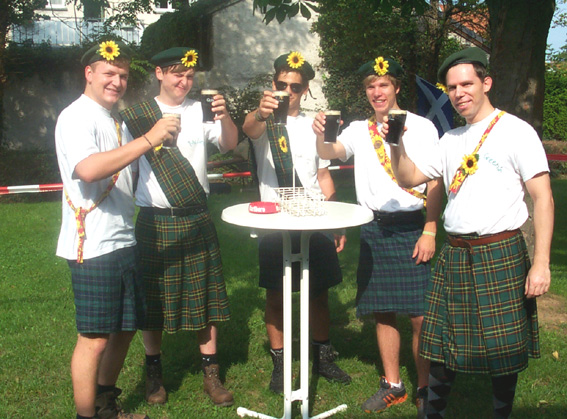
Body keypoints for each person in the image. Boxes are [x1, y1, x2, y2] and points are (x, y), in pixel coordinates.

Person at [388, 47, 554, 418]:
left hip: (500, 251)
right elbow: (408, 177)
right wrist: (395, 143)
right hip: (456, 253)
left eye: (466, 84)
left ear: (486, 83)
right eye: (452, 87)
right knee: (442, 343)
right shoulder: (450, 140)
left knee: (503, 346)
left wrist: (541, 263)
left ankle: (500, 413)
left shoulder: (516, 132)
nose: (459, 93)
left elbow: (543, 197)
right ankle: (433, 413)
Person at [313, 55, 442, 417]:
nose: (377, 92)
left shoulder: (422, 127)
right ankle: (393, 385)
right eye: (371, 86)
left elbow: (435, 182)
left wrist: (430, 229)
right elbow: (330, 152)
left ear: (396, 87)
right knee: (382, 312)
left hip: (412, 227)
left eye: (383, 84)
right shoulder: (359, 129)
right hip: (374, 229)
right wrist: (321, 133)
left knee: (420, 316)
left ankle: (425, 388)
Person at [55, 39, 179, 419]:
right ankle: (86, 416)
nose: (117, 82)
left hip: (124, 237)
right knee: (93, 339)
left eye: (123, 76)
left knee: (125, 328)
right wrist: (149, 138)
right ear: (89, 73)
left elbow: (131, 170)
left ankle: (105, 405)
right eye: (109, 73)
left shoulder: (115, 119)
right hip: (93, 244)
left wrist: (159, 146)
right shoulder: (76, 116)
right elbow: (89, 169)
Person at [120, 47, 237, 407]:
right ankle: (154, 372)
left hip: (196, 216)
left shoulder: (201, 110)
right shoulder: (138, 117)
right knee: (152, 298)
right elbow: (127, 169)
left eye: (189, 76)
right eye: (176, 74)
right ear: (159, 73)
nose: (184, 82)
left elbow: (229, 144)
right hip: (155, 219)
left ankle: (211, 374)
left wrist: (225, 117)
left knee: (206, 297)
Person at [242, 51, 351, 393]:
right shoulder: (264, 122)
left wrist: (336, 221)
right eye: (281, 84)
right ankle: (280, 365)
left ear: (305, 90)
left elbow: (323, 175)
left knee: (318, 293)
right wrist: (261, 112)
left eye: (295, 86)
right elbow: (248, 127)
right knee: (276, 295)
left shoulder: (313, 126)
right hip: (274, 222)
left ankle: (323, 357)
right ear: (273, 83)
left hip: (314, 219)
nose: (287, 91)